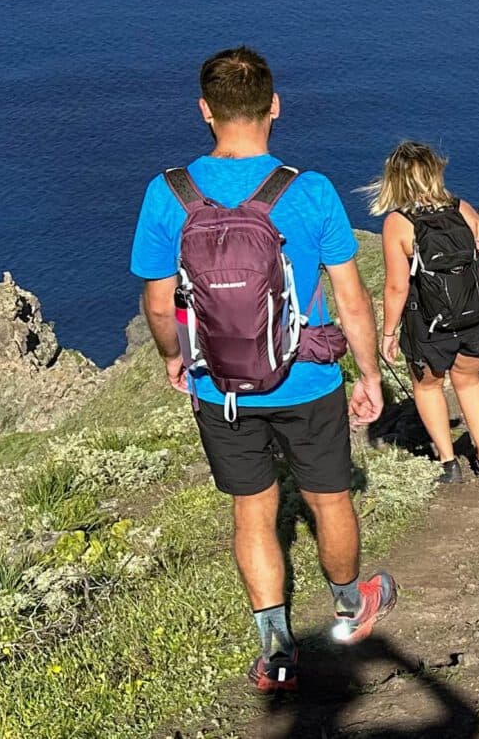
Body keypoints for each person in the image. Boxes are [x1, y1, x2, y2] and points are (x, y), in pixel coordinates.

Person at [132, 47, 394, 694]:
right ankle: (348, 605)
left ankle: (276, 653)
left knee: (253, 510)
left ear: (205, 111)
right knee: (329, 497)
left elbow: (160, 302)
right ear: (274, 106)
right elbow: (351, 298)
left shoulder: (169, 194)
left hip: (219, 386)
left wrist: (175, 357)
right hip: (307, 380)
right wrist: (368, 373)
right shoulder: (308, 191)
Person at [371, 141, 479, 487]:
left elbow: (396, 288)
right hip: (474, 317)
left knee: (429, 387)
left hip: (429, 324)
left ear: (395, 180)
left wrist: (388, 333)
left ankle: (449, 464)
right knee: (470, 381)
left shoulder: (398, 224)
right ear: (435, 172)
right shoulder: (463, 209)